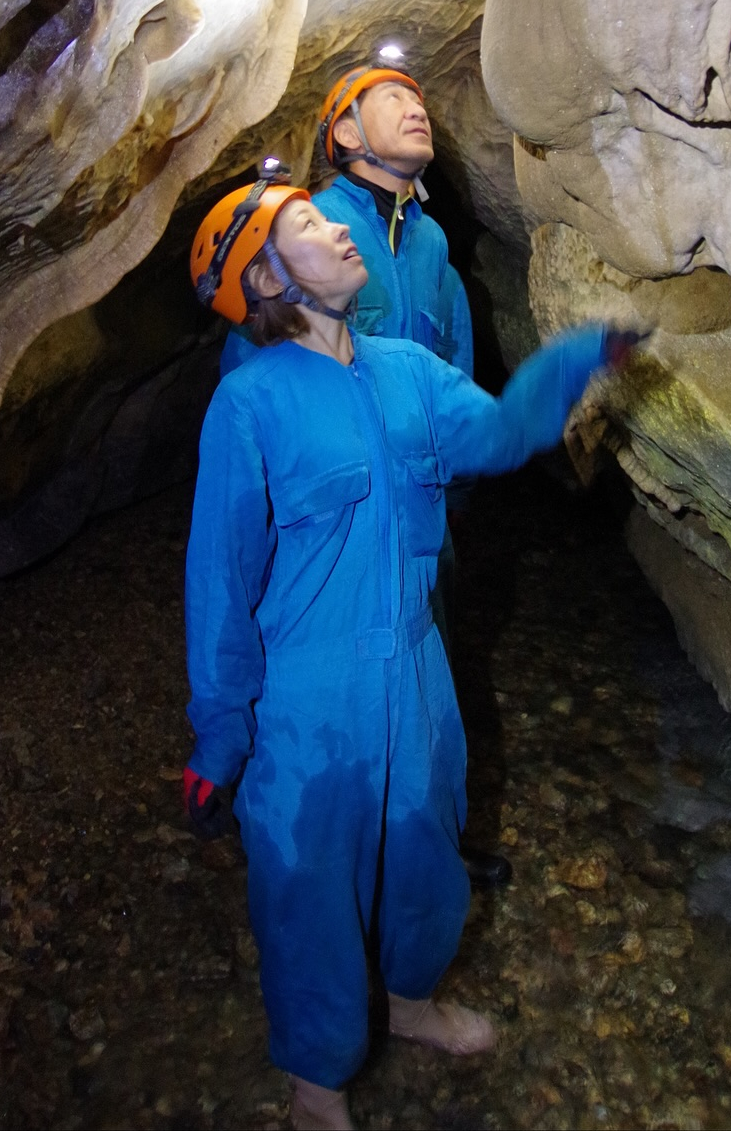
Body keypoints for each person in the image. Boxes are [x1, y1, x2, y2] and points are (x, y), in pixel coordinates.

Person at [183, 160, 636, 1130]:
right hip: (309, 698)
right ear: (265, 277)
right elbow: (220, 580)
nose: (340, 230)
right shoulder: (251, 403)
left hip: (418, 671)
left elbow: (503, 433)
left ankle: (413, 999)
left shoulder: (409, 372)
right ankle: (318, 1083)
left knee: (427, 845)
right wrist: (219, 736)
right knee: (309, 883)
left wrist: (573, 360)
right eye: (309, 226)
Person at [221, 63, 506, 888]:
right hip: (333, 519)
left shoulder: (431, 242)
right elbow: (257, 359)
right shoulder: (315, 232)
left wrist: (454, 481)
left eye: (419, 95)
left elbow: (452, 349)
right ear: (345, 133)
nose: (417, 106)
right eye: (392, 97)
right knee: (334, 697)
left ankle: (425, 850)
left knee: (423, 683)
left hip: (416, 511)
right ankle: (323, 858)